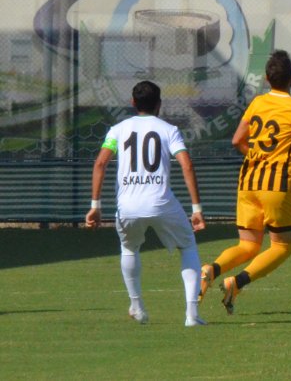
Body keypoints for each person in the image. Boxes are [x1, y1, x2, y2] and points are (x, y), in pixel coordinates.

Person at [199, 49, 291, 314]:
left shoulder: (257, 104)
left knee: (248, 245)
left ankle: (212, 269)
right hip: (277, 186)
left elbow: (237, 140)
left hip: (248, 183)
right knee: (281, 247)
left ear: (267, 79)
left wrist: (256, 155)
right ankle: (237, 282)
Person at [85, 80, 207, 327]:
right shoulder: (168, 129)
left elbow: (100, 164)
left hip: (127, 206)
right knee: (188, 246)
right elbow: (187, 165)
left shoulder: (117, 130)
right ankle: (192, 315)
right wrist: (197, 210)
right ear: (159, 105)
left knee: (129, 250)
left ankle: (137, 306)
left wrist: (95, 206)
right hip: (161, 202)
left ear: (132, 103)